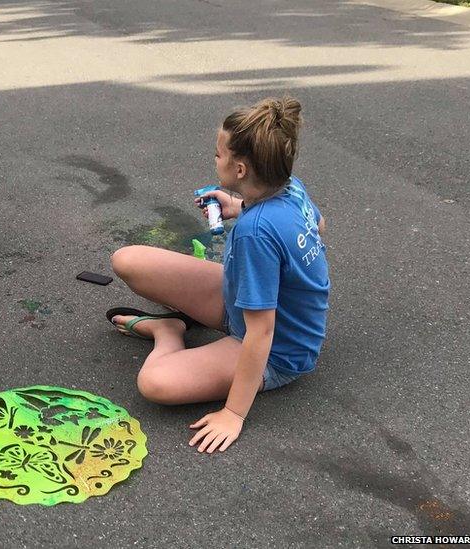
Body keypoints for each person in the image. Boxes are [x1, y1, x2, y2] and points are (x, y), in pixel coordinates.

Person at [107, 97, 329, 454]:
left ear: (240, 169)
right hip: (241, 299)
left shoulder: (255, 233)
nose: (214, 159)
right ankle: (178, 327)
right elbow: (318, 225)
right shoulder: (291, 188)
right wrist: (239, 205)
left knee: (155, 384)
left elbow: (262, 331)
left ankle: (169, 332)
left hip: (277, 350)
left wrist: (233, 413)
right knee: (128, 260)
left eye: (218, 154)